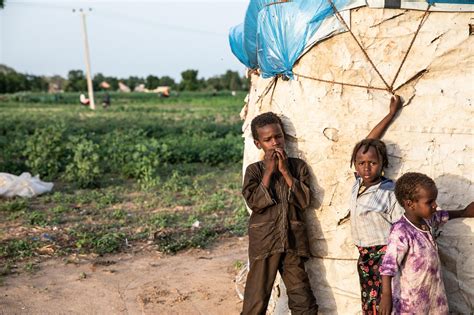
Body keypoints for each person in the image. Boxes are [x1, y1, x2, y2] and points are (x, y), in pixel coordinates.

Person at [241, 112, 318, 315]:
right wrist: (268, 171)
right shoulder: (254, 171)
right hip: (264, 242)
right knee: (256, 300)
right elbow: (255, 203)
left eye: (278, 136)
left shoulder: (298, 167)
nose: (275, 142)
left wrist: (285, 172)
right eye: (268, 140)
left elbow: (304, 201)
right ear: (258, 144)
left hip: (293, 241)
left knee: (303, 300)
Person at [379, 173, 474, 315]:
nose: (435, 205)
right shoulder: (401, 231)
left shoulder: (427, 220)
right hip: (411, 303)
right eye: (430, 202)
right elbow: (388, 267)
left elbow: (442, 215)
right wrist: (386, 296)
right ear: (410, 204)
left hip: (434, 298)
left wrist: (464, 212)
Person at [349, 95, 403, 314]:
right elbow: (367, 144)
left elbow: (400, 232)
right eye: (361, 163)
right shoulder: (358, 183)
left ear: (383, 164)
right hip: (364, 260)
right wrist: (389, 115)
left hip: (384, 260)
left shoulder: (389, 191)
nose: (366, 167)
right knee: (371, 308)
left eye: (373, 163)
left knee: (387, 307)